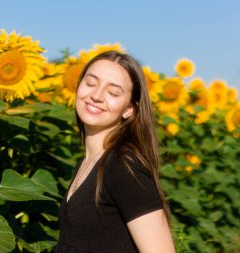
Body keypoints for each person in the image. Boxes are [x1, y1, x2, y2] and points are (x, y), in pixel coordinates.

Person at [54, 51, 175, 253]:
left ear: (129, 109)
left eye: (113, 92)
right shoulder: (89, 162)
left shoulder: (124, 167)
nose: (97, 96)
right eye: (91, 83)